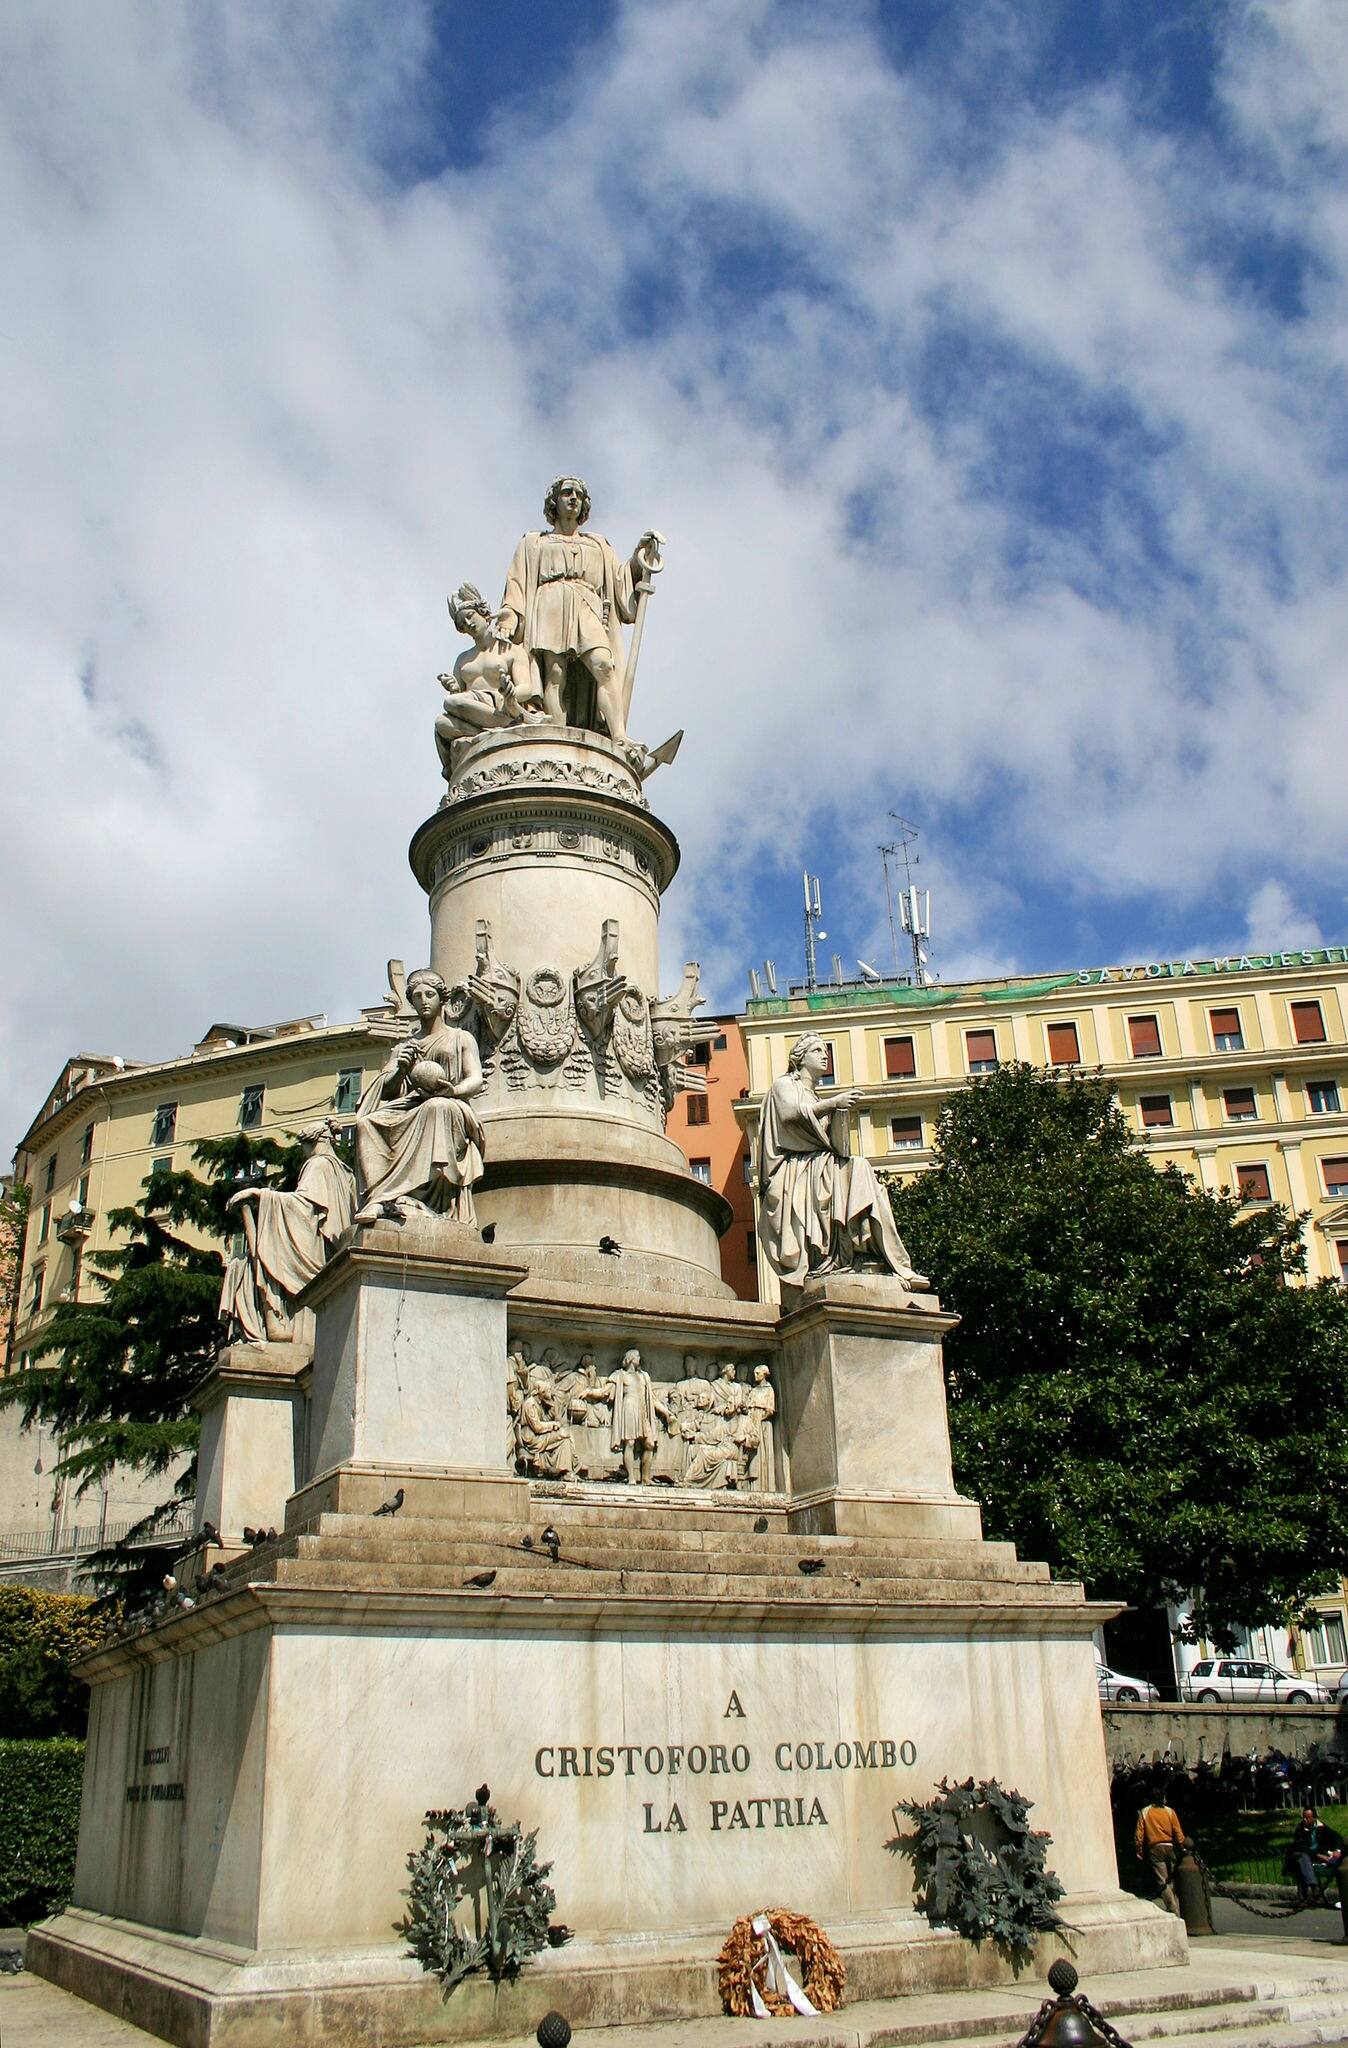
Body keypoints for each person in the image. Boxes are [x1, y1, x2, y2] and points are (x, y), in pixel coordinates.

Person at [494, 476, 660, 750]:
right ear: (554, 501)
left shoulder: (598, 544)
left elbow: (619, 581)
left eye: (579, 495)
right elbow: (517, 582)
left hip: (588, 605)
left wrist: (638, 557)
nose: (573, 498)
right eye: (567, 493)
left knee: (604, 666)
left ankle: (619, 735)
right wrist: (511, 612)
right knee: (555, 673)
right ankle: (556, 734)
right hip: (550, 603)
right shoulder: (535, 543)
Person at [754, 1034, 928, 1289]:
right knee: (858, 1169)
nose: (825, 1056)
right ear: (799, 1058)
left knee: (862, 1173)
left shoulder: (815, 1096)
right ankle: (855, 1252)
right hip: (793, 1169)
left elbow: (827, 1140)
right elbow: (791, 1114)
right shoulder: (784, 1085)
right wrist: (834, 1103)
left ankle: (871, 1254)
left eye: (826, 1051)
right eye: (817, 1051)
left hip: (818, 1163)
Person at [353, 969, 486, 1225]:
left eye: (430, 994)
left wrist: (453, 1091)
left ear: (442, 998)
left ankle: (406, 1194)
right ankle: (380, 1199)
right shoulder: (405, 1046)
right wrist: (401, 1069)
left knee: (436, 1107)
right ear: (411, 1003)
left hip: (451, 1105)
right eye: (417, 996)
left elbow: (475, 1079)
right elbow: (388, 1091)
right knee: (365, 1124)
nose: (424, 1000)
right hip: (412, 1106)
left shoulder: (460, 1037)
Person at [219, 1121, 355, 1343]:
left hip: (314, 1248)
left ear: (317, 1142)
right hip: (328, 1246)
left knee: (245, 1266)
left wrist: (259, 1195)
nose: (304, 1152)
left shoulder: (319, 1165)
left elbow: (304, 1206)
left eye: (304, 1146)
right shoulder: (343, 1171)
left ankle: (270, 1325)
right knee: (244, 1266)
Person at [434, 582, 544, 778]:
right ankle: (497, 729)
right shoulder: (463, 659)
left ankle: (504, 722)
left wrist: (511, 694)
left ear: (483, 612)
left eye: (470, 616)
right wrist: (454, 687)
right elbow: (460, 696)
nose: (468, 624)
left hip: (502, 703)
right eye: (463, 624)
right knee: (441, 723)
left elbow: (526, 687)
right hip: (476, 710)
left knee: (450, 702)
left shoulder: (511, 650)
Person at [1134, 1785, 1187, 1914]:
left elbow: (1139, 1834)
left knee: (1162, 1879)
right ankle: (1179, 1904)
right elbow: (1177, 1830)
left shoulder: (1145, 1812)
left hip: (1155, 1848)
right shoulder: (1169, 1811)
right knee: (1173, 1876)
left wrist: (1139, 1850)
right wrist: (1182, 1845)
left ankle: (1172, 1907)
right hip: (1169, 1846)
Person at [1287, 1806, 1344, 1904]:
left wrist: (1337, 1850)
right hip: (1299, 1856)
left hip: (1315, 1856)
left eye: (1308, 1817)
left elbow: (1337, 1837)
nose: (1305, 1820)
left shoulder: (1321, 1827)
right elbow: (1302, 1848)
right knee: (1303, 1858)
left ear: (1314, 1818)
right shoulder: (1300, 1829)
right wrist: (1319, 1856)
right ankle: (1314, 1887)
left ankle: (1313, 1893)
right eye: (1304, 1817)